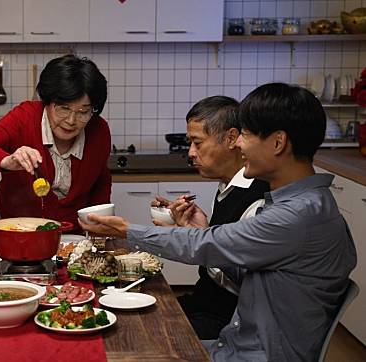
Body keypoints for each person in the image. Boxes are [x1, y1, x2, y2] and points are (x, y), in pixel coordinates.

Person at [80, 83, 356, 361]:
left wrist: (126, 230)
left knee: (114, 344)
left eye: (245, 134)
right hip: (233, 345)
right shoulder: (304, 204)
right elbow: (245, 270)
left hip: (250, 356)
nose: (238, 143)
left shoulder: (297, 215)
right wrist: (203, 234)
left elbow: (208, 244)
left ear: (277, 143)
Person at [152, 96, 270, 340]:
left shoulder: (257, 198)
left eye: (197, 143)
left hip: (228, 323)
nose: (191, 153)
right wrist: (195, 233)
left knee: (146, 333)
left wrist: (196, 240)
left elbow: (247, 285)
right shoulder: (228, 186)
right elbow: (220, 250)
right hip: (203, 304)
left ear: (230, 139)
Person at [0, 54, 111, 230]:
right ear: (47, 102)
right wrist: (7, 161)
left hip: (73, 235)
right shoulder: (25, 118)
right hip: (16, 228)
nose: (71, 120)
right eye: (63, 108)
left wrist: (98, 231)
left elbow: (100, 184)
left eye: (83, 112)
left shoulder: (99, 131)